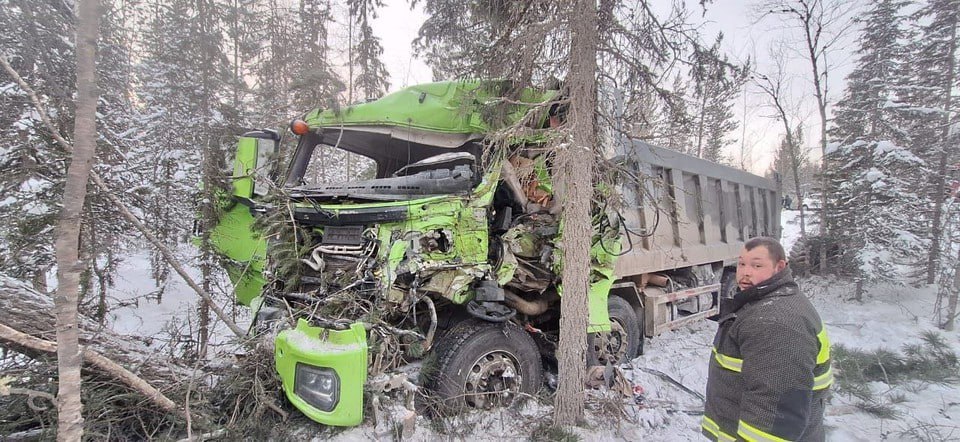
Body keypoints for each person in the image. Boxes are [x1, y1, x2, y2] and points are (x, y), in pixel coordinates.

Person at [702, 237, 832, 442]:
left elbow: (775, 410)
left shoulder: (775, 322)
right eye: (742, 263)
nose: (745, 272)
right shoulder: (765, 305)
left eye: (757, 265)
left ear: (779, 267)